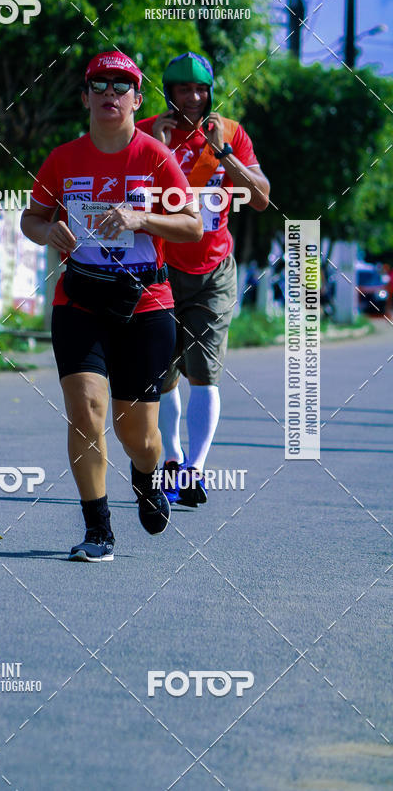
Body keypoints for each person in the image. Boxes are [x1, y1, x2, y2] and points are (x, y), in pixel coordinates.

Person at [21, 51, 202, 561]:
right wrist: (46, 231)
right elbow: (31, 219)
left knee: (137, 434)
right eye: (99, 85)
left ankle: (146, 476)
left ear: (137, 100)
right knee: (86, 410)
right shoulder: (63, 159)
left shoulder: (155, 158)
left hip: (145, 306)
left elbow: (193, 225)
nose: (109, 94)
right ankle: (98, 529)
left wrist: (141, 219)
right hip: (79, 300)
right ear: (85, 97)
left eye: (121, 86)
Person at [137, 52, 270, 506]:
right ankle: (173, 461)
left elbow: (260, 198)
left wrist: (224, 153)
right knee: (163, 373)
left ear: (211, 92)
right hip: (160, 269)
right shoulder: (147, 131)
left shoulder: (230, 132)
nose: (192, 98)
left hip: (214, 269)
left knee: (205, 373)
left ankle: (195, 470)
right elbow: (129, 198)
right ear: (168, 92)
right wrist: (156, 147)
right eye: (183, 89)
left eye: (200, 89)